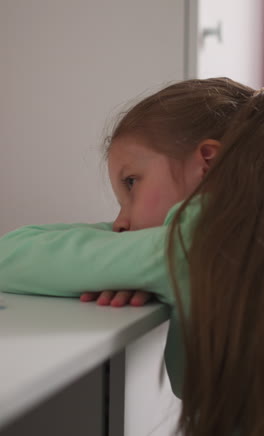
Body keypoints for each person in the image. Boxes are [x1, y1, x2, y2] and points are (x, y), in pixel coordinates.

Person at [0, 77, 263, 435]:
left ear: (207, 163)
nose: (121, 221)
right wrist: (129, 262)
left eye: (131, 183)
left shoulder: (198, 242)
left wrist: (127, 258)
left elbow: (10, 255)